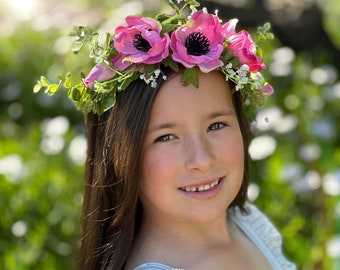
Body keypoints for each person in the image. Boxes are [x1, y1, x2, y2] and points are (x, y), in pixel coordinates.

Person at [35, 1, 295, 269]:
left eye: (216, 126)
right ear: (119, 155)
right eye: (166, 137)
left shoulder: (249, 225)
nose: (202, 160)